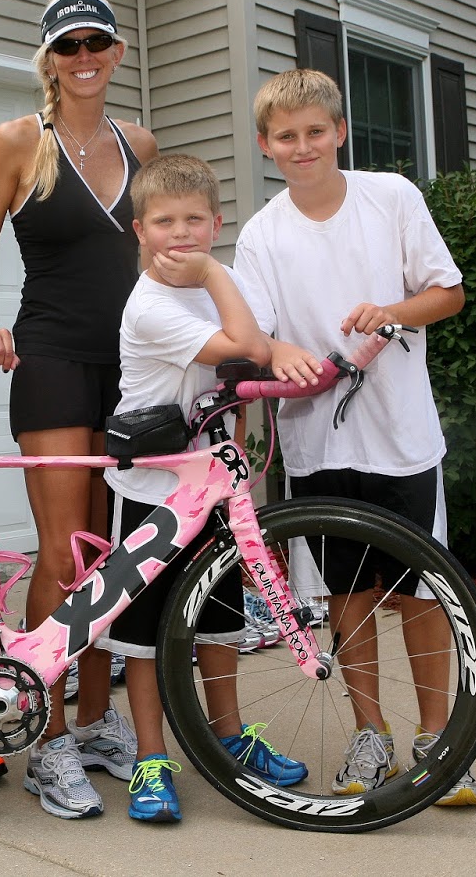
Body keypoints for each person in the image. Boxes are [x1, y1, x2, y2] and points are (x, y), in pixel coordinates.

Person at [233, 69, 476, 807]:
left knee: (419, 593)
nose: (303, 146)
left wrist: (393, 311)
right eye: (287, 136)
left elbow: (450, 292)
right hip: (317, 447)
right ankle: (368, 733)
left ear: (340, 132)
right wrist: (277, 353)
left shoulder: (393, 196)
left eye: (316, 132)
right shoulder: (262, 233)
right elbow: (254, 332)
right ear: (265, 146)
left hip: (403, 439)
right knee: (348, 597)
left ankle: (438, 742)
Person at [0, 0, 154, 819]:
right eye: (68, 45)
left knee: (119, 559)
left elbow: (166, 254)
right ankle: (45, 743)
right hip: (51, 361)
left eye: (97, 44)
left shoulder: (140, 142)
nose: (84, 57)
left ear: (115, 54)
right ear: (49, 56)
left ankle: (95, 719)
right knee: (65, 555)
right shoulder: (17, 141)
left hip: (135, 369)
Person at [103, 153, 320, 822]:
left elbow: (250, 340)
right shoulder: (152, 304)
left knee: (219, 622)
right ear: (139, 230)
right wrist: (212, 273)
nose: (181, 233)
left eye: (194, 220)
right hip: (152, 488)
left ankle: (229, 738)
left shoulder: (204, 287)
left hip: (213, 482)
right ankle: (150, 757)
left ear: (216, 220)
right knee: (143, 636)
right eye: (164, 221)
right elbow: (244, 343)